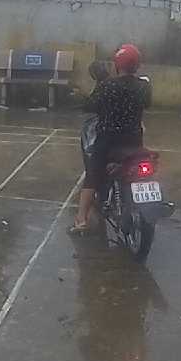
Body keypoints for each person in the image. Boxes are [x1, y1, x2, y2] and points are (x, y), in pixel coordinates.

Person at [71, 44, 151, 234]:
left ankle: (81, 219)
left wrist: (81, 96)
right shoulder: (144, 86)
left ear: (117, 65)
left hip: (108, 142)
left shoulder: (108, 86)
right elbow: (147, 104)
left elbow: (91, 106)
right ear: (137, 65)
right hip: (134, 142)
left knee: (92, 175)